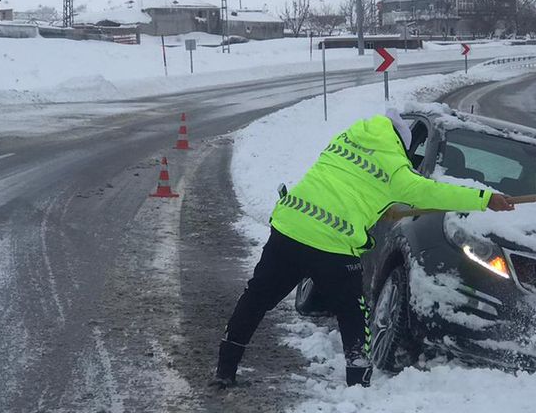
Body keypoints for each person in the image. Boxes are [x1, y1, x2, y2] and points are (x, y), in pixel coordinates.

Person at [215, 110, 515, 388]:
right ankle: (358, 383)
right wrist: (485, 198)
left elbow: (351, 186)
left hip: (290, 226)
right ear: (402, 145)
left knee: (256, 297)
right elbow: (429, 192)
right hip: (331, 244)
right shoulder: (395, 169)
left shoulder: (348, 139)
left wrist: (377, 205)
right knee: (352, 313)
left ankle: (224, 370)